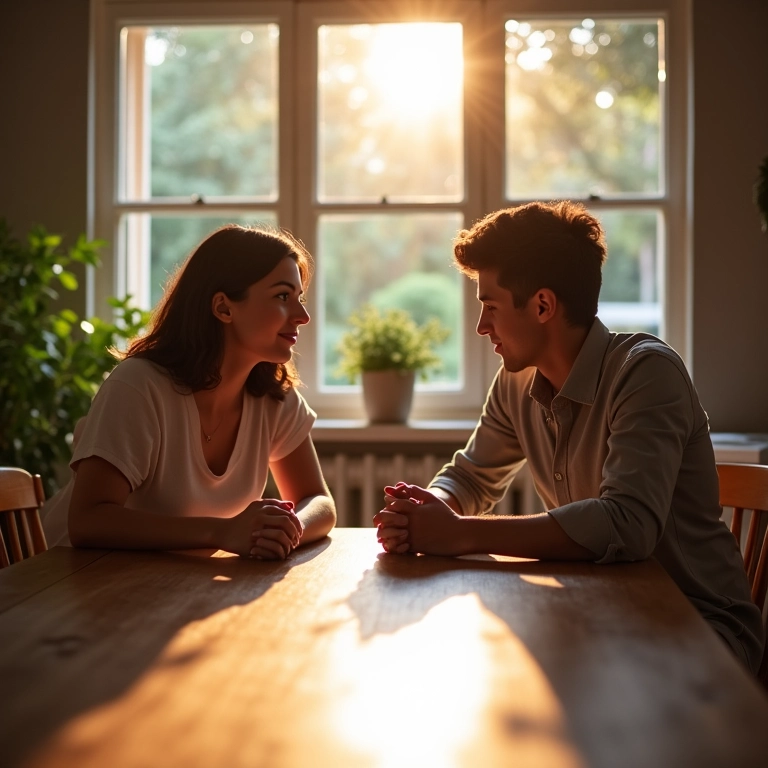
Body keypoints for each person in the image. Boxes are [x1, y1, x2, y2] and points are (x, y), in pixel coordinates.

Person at [374, 201, 765, 675]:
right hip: (603, 609)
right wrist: (425, 510)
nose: (481, 326)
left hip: (699, 628)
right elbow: (471, 476)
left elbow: (626, 525)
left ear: (542, 305)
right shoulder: (516, 381)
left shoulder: (646, 372)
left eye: (491, 307)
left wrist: (459, 532)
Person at [42, 224, 335, 560]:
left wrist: (285, 530)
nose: (303, 316)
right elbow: (88, 521)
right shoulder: (139, 386)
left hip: (165, 582)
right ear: (224, 308)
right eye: (283, 296)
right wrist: (221, 531)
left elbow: (319, 501)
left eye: (300, 298)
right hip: (66, 579)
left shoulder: (273, 395)